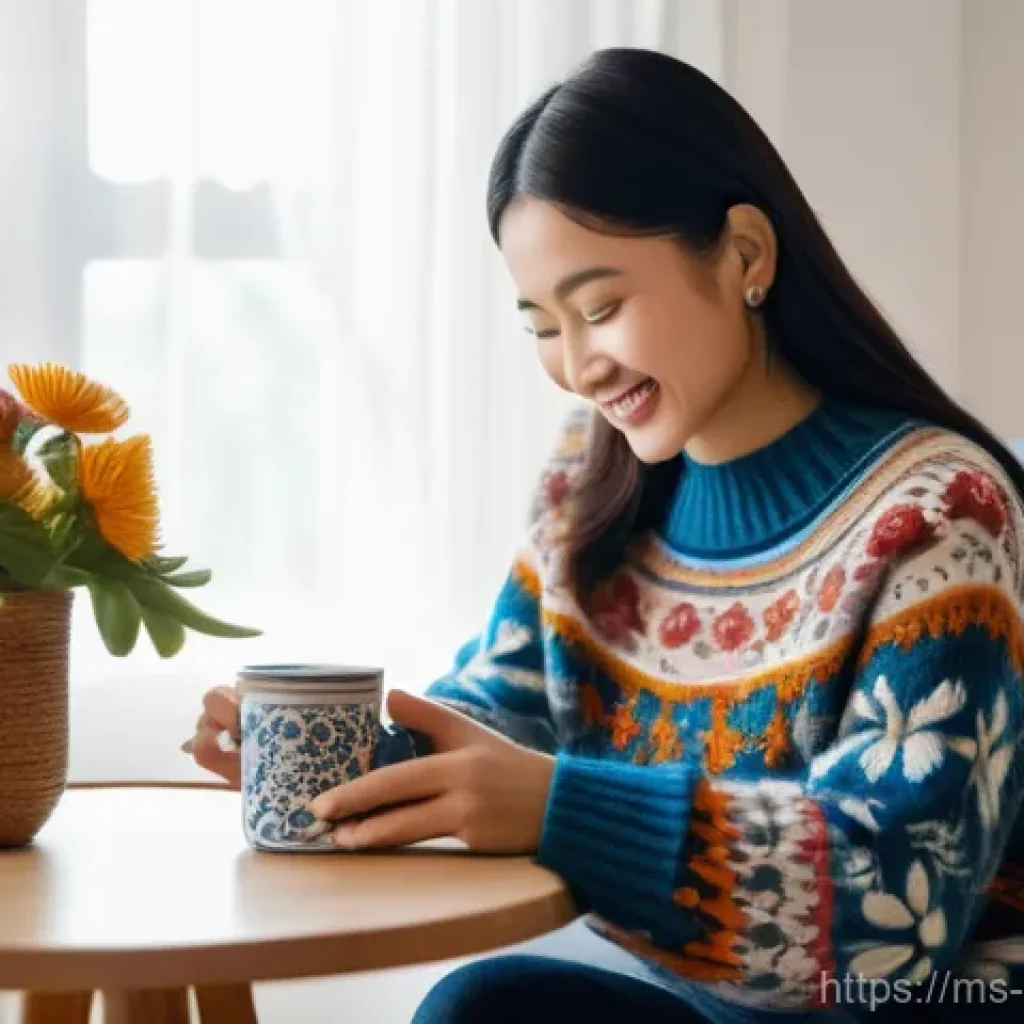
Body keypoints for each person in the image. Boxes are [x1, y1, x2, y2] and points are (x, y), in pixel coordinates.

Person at [184, 48, 1024, 1023]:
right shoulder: (589, 478)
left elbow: (892, 920)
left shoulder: (939, 511)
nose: (577, 364)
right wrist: (340, 763)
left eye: (600, 308)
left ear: (745, 255)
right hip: (694, 997)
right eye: (541, 324)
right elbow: (506, 707)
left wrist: (555, 807)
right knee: (480, 1007)